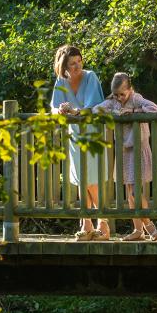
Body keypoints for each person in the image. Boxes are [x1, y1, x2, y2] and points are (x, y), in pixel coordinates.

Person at [51, 44, 110, 241]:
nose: (77, 67)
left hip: (92, 133)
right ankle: (86, 224)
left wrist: (75, 111)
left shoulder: (90, 76)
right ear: (63, 66)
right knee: (80, 179)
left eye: (79, 62)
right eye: (72, 64)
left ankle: (103, 224)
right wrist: (60, 110)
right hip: (74, 134)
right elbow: (53, 108)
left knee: (93, 179)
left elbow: (93, 107)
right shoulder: (61, 80)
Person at [93, 73, 157, 242]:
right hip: (124, 152)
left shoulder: (136, 99)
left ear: (130, 90)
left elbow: (155, 109)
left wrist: (133, 111)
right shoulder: (114, 102)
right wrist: (114, 112)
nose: (120, 98)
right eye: (116, 95)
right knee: (130, 193)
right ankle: (138, 229)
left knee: (135, 192)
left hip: (138, 149)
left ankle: (150, 227)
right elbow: (96, 110)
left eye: (122, 94)